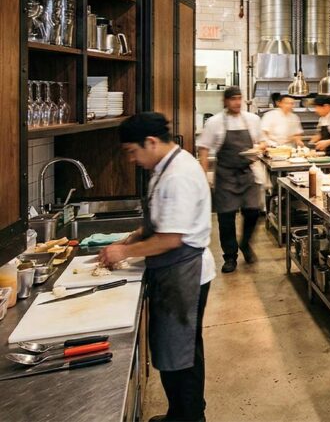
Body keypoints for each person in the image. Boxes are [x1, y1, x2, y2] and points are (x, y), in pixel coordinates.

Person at [100, 113, 215, 422]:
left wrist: (124, 252)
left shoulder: (178, 174)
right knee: (177, 351)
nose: (131, 159)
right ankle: (179, 412)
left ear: (150, 142)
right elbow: (163, 221)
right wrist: (136, 235)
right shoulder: (167, 166)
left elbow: (170, 239)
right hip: (176, 272)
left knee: (182, 355)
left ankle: (189, 417)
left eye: (132, 152)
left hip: (184, 274)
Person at [196, 86, 264, 274]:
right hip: (225, 174)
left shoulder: (252, 120)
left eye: (239, 98)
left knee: (253, 211)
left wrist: (258, 150)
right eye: (233, 99)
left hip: (247, 172)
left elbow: (261, 142)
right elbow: (203, 148)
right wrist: (203, 175)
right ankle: (230, 257)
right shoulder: (215, 122)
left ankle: (246, 244)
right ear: (225, 101)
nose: (236, 102)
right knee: (226, 218)